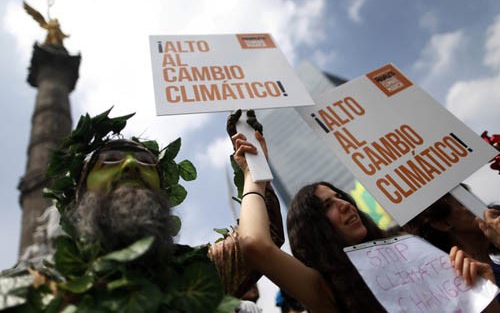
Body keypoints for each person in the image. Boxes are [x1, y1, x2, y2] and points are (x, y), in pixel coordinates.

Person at [0, 109, 284, 313]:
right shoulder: (32, 285)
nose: (130, 166)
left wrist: (253, 169)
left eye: (145, 161)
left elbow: (259, 241)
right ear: (79, 193)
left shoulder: (194, 273)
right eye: (110, 160)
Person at [231, 126, 495, 312]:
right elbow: (255, 244)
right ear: (313, 231)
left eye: (341, 197)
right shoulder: (325, 291)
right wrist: (254, 174)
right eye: (328, 206)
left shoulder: (414, 254)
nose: (345, 205)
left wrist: (485, 288)